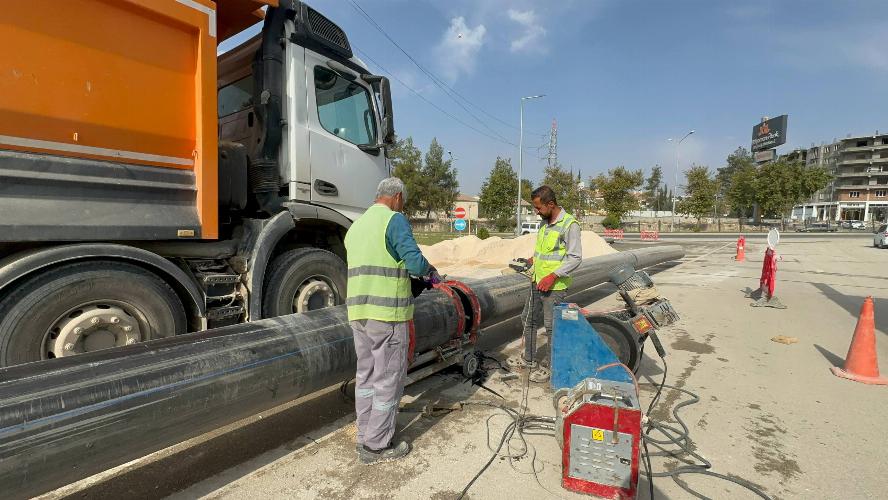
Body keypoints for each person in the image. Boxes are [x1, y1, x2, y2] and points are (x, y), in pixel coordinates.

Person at [344, 177, 440, 465]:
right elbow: (413, 262)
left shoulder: (356, 226)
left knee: (367, 377)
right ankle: (376, 447)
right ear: (397, 197)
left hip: (358, 314)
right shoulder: (394, 220)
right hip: (388, 317)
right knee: (388, 381)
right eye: (403, 202)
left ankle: (365, 434)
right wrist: (429, 272)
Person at [509, 185, 582, 383]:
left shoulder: (569, 225)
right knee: (528, 319)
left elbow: (575, 258)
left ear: (551, 204)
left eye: (538, 208)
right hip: (536, 281)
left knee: (552, 327)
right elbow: (545, 252)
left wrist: (552, 276)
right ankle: (529, 359)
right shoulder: (544, 222)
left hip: (554, 286)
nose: (536, 212)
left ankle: (551, 366)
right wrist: (531, 261)